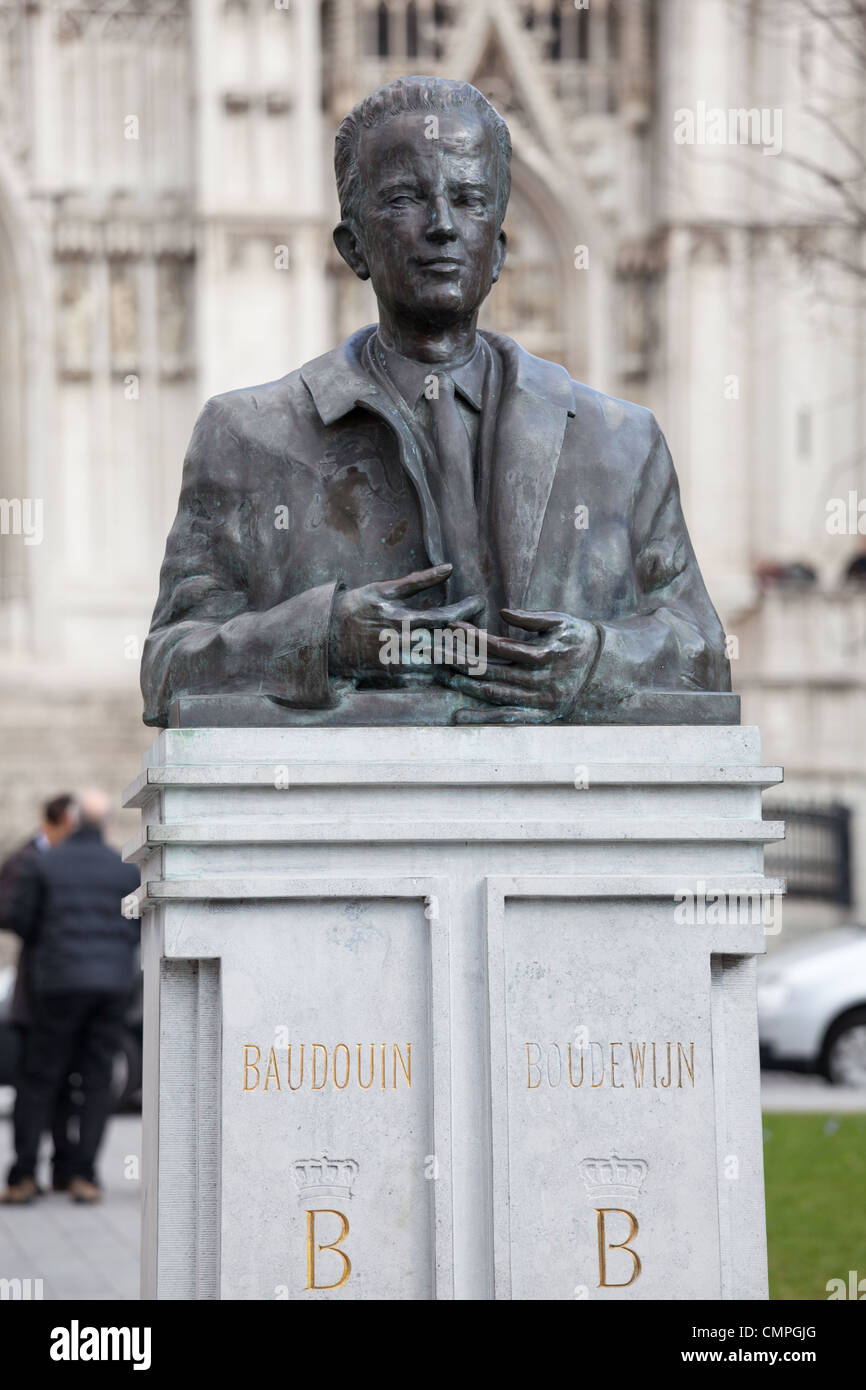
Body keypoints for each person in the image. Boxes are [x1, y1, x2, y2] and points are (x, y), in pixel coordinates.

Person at [140, 75, 729, 730]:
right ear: (353, 248)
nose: (443, 226)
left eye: (471, 200)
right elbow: (169, 667)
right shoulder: (249, 436)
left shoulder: (620, 441)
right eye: (405, 200)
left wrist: (597, 660)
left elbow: (702, 651)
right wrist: (326, 638)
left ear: (500, 250)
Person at [0, 790, 140, 1205]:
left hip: (56, 986)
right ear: (108, 825)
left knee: (41, 1077)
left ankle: (24, 1175)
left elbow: (20, 920)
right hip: (111, 987)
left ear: (72, 823)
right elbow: (135, 927)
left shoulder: (45, 863)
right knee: (96, 1079)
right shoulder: (125, 870)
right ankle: (84, 1175)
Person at [0, 793, 81, 1191]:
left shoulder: (62, 861)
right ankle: (26, 1170)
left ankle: (63, 1169)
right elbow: (9, 913)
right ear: (61, 823)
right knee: (34, 1086)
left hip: (64, 993)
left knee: (67, 1085)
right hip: (35, 996)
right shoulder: (25, 860)